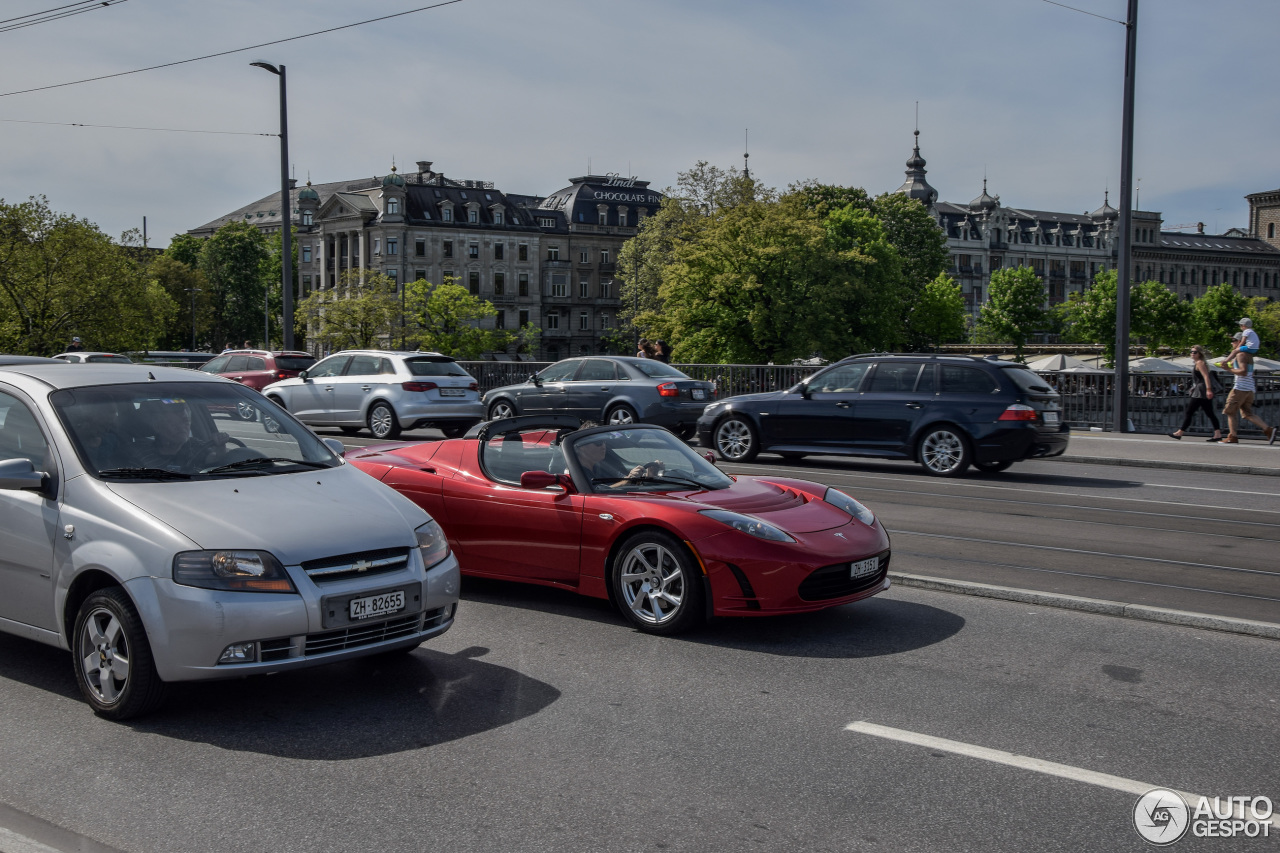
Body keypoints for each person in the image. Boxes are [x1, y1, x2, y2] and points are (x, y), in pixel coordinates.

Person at [133, 399, 233, 471]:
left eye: (186, 422)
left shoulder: (196, 446)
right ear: (157, 426)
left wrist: (220, 447)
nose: (183, 428)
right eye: (174, 424)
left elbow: (215, 460)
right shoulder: (140, 452)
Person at [1168, 346, 1222, 442]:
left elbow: (1206, 377)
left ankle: (1180, 432)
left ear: (1199, 353)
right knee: (1210, 413)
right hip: (1201, 389)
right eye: (1191, 352)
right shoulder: (1198, 363)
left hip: (1201, 391)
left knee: (1189, 412)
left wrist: (1209, 390)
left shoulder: (1200, 363)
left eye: (1195, 352)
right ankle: (1217, 434)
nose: (1192, 353)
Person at [574, 432, 662, 489]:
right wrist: (627, 480)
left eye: (604, 442)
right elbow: (594, 492)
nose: (603, 446)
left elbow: (624, 479)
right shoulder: (576, 472)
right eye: (598, 442)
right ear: (582, 447)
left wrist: (648, 476)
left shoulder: (602, 465)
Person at [1221, 357, 1278, 445]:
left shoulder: (1241, 354)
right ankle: (1268, 429)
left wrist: (1228, 369)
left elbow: (1243, 371)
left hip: (1240, 388)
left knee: (1230, 412)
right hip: (1250, 389)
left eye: (1233, 342)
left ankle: (1232, 437)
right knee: (1247, 414)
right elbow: (1235, 364)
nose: (1232, 343)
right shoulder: (1245, 355)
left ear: (1239, 342)